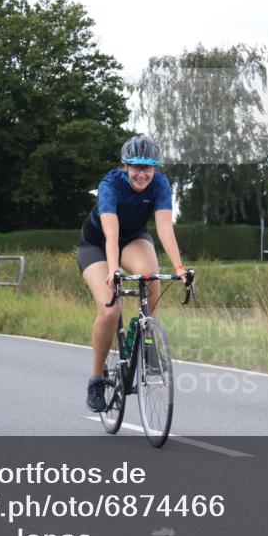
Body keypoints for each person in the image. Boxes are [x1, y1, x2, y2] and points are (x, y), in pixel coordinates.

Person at [78, 135, 188, 412]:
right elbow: (110, 234)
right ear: (125, 166)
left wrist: (179, 268)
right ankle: (96, 379)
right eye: (136, 167)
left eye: (148, 167)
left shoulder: (161, 184)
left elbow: (164, 228)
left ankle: (148, 342)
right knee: (110, 309)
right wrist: (113, 270)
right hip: (97, 245)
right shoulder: (110, 185)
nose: (142, 174)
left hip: (134, 239)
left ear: (155, 168)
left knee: (150, 275)